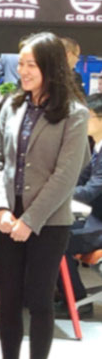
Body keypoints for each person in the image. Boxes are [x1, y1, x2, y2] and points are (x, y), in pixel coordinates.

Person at [0, 32, 89, 359]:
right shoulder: (12, 106)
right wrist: (0, 208)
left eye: (31, 65)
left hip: (49, 222)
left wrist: (30, 220)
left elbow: (65, 175)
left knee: (40, 300)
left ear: (51, 66)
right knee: (8, 300)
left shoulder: (74, 114)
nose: (23, 71)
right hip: (7, 218)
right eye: (21, 64)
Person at [58, 93, 102, 317]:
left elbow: (93, 189)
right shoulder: (96, 148)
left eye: (89, 117)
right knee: (54, 232)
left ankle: (78, 301)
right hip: (93, 218)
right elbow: (81, 180)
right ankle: (65, 293)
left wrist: (58, 193)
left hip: (99, 224)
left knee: (57, 241)